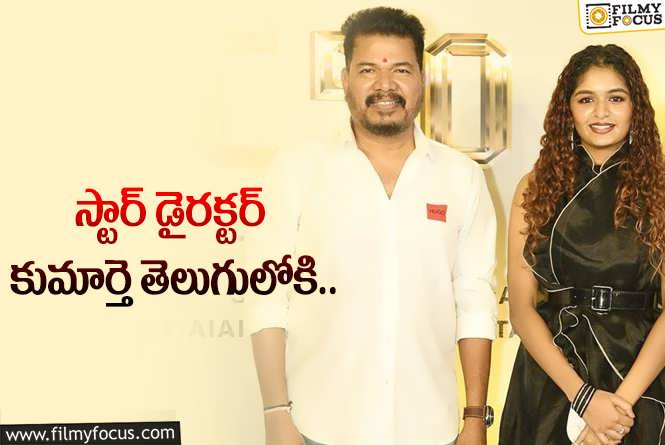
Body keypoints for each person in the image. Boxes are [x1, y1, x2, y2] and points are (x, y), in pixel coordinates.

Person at [248, 7, 497, 445]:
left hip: (429, 427)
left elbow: (474, 299)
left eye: (401, 69)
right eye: (368, 70)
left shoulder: (461, 178)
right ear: (345, 79)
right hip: (318, 426)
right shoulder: (298, 170)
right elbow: (267, 296)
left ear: (422, 79)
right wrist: (275, 413)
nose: (385, 85)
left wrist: (475, 417)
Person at [499, 44, 665, 445]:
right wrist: (584, 397)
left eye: (616, 98)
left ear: (636, 108)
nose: (601, 113)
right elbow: (520, 310)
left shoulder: (660, 189)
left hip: (639, 379)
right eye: (586, 99)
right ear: (567, 110)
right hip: (553, 377)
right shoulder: (534, 187)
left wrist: (618, 409)